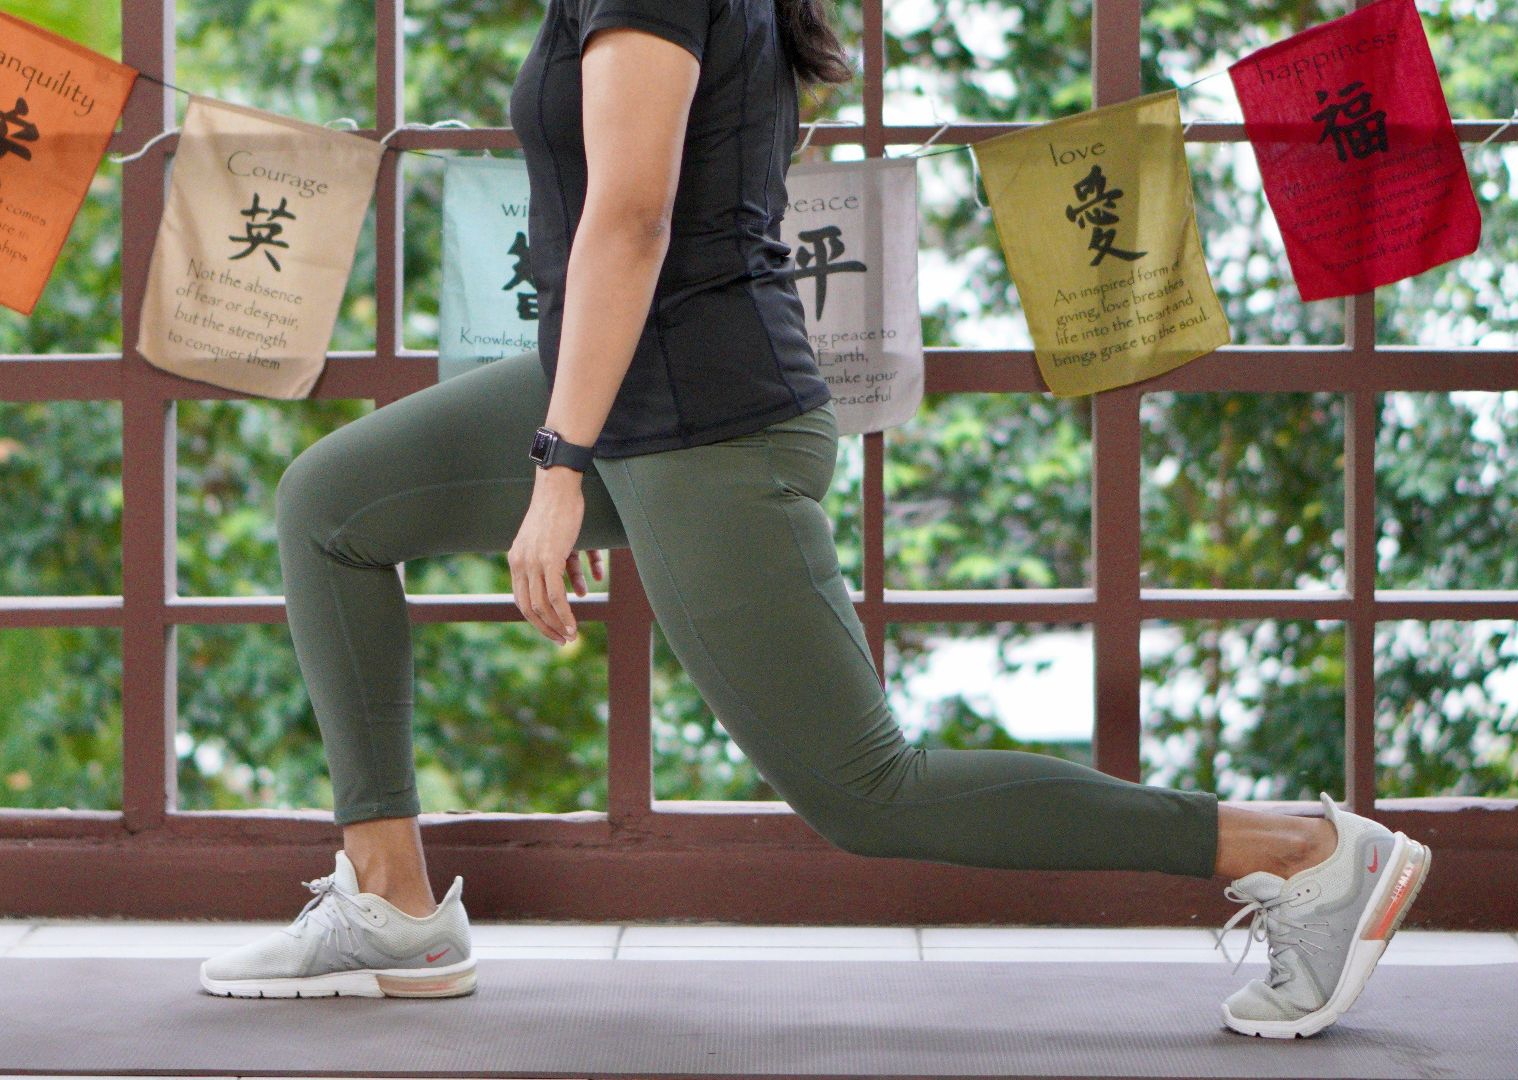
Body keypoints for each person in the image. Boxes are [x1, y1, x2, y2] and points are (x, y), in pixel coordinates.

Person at [199, 0, 1432, 1039]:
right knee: (329, 505)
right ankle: (394, 906)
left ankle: (1296, 851)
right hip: (627, 381)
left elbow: (632, 218)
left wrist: (560, 461)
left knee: (867, 791)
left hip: (704, 413)